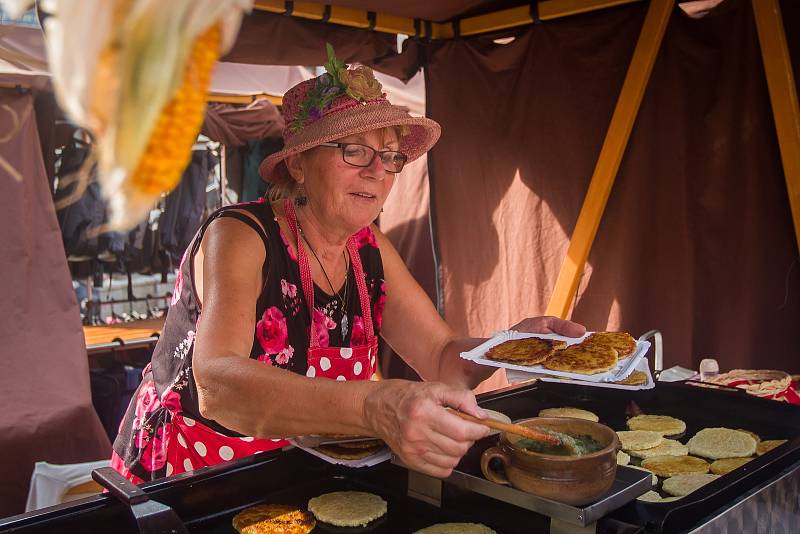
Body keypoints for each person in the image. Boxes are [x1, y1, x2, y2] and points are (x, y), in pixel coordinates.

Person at [111, 47, 584, 483]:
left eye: (390, 156)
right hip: (192, 475)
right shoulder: (240, 234)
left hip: (298, 472)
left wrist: (507, 348)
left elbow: (441, 359)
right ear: (298, 164)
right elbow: (216, 382)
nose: (377, 171)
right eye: (353, 150)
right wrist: (376, 405)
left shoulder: (369, 248)